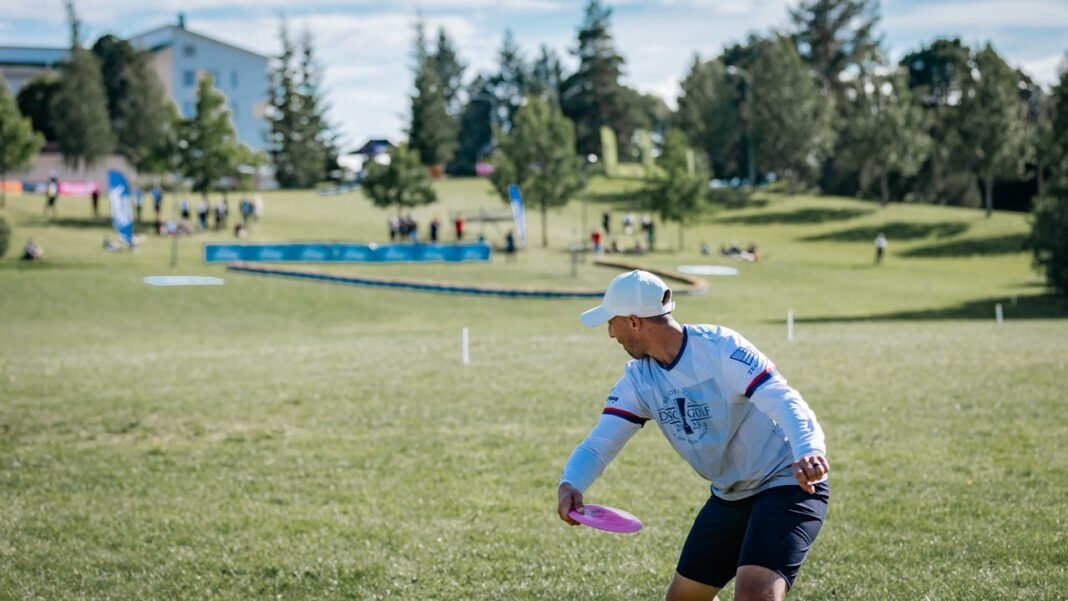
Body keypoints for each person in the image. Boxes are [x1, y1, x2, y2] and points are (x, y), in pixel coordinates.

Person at [557, 270, 829, 601]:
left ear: (633, 321)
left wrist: (808, 450)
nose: (611, 334)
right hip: (730, 496)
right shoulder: (638, 380)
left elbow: (783, 399)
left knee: (754, 594)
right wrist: (571, 483)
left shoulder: (720, 348)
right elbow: (600, 445)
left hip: (787, 482)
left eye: (611, 322)